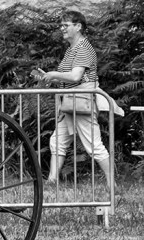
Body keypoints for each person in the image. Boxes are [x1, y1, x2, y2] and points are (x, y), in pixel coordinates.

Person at [32, 10, 113, 192]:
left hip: (81, 102)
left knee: (94, 145)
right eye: (61, 25)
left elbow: (76, 76)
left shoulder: (83, 48)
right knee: (57, 141)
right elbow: (70, 77)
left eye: (66, 25)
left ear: (78, 27)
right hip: (70, 103)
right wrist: (50, 78)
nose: (62, 29)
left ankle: (111, 184)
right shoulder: (72, 49)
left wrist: (54, 74)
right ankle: (53, 181)